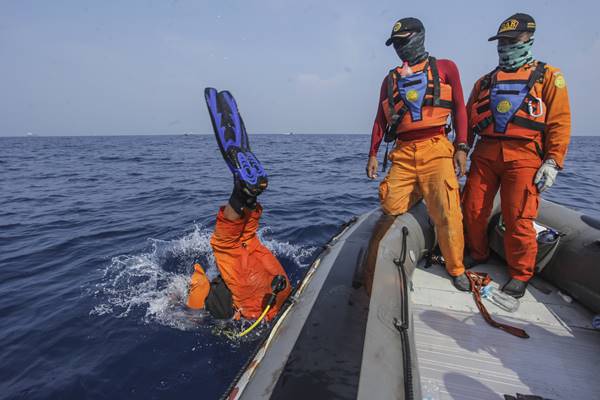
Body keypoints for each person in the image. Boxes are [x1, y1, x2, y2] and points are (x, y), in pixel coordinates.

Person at [462, 13, 571, 298]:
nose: (505, 46)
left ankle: (521, 272)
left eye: (511, 40)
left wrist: (552, 161)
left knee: (519, 217)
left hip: (525, 157)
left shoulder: (549, 76)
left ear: (528, 39)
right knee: (472, 208)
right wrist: (460, 149)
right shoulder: (484, 82)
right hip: (485, 154)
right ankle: (478, 251)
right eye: (502, 41)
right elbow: (468, 120)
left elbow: (559, 121)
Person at [366, 17, 470, 291]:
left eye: (403, 41)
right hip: (402, 152)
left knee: (448, 211)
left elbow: (460, 107)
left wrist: (462, 146)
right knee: (389, 204)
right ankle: (420, 199)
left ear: (419, 36)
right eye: (395, 45)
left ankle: (456, 267)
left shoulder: (446, 67)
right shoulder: (389, 79)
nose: (400, 48)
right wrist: (373, 153)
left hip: (436, 146)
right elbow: (380, 119)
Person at [186, 88, 291, 322]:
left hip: (271, 291)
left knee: (244, 240)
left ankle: (245, 194)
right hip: (261, 294)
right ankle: (244, 193)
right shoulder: (203, 289)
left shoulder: (200, 295)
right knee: (231, 243)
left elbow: (194, 313)